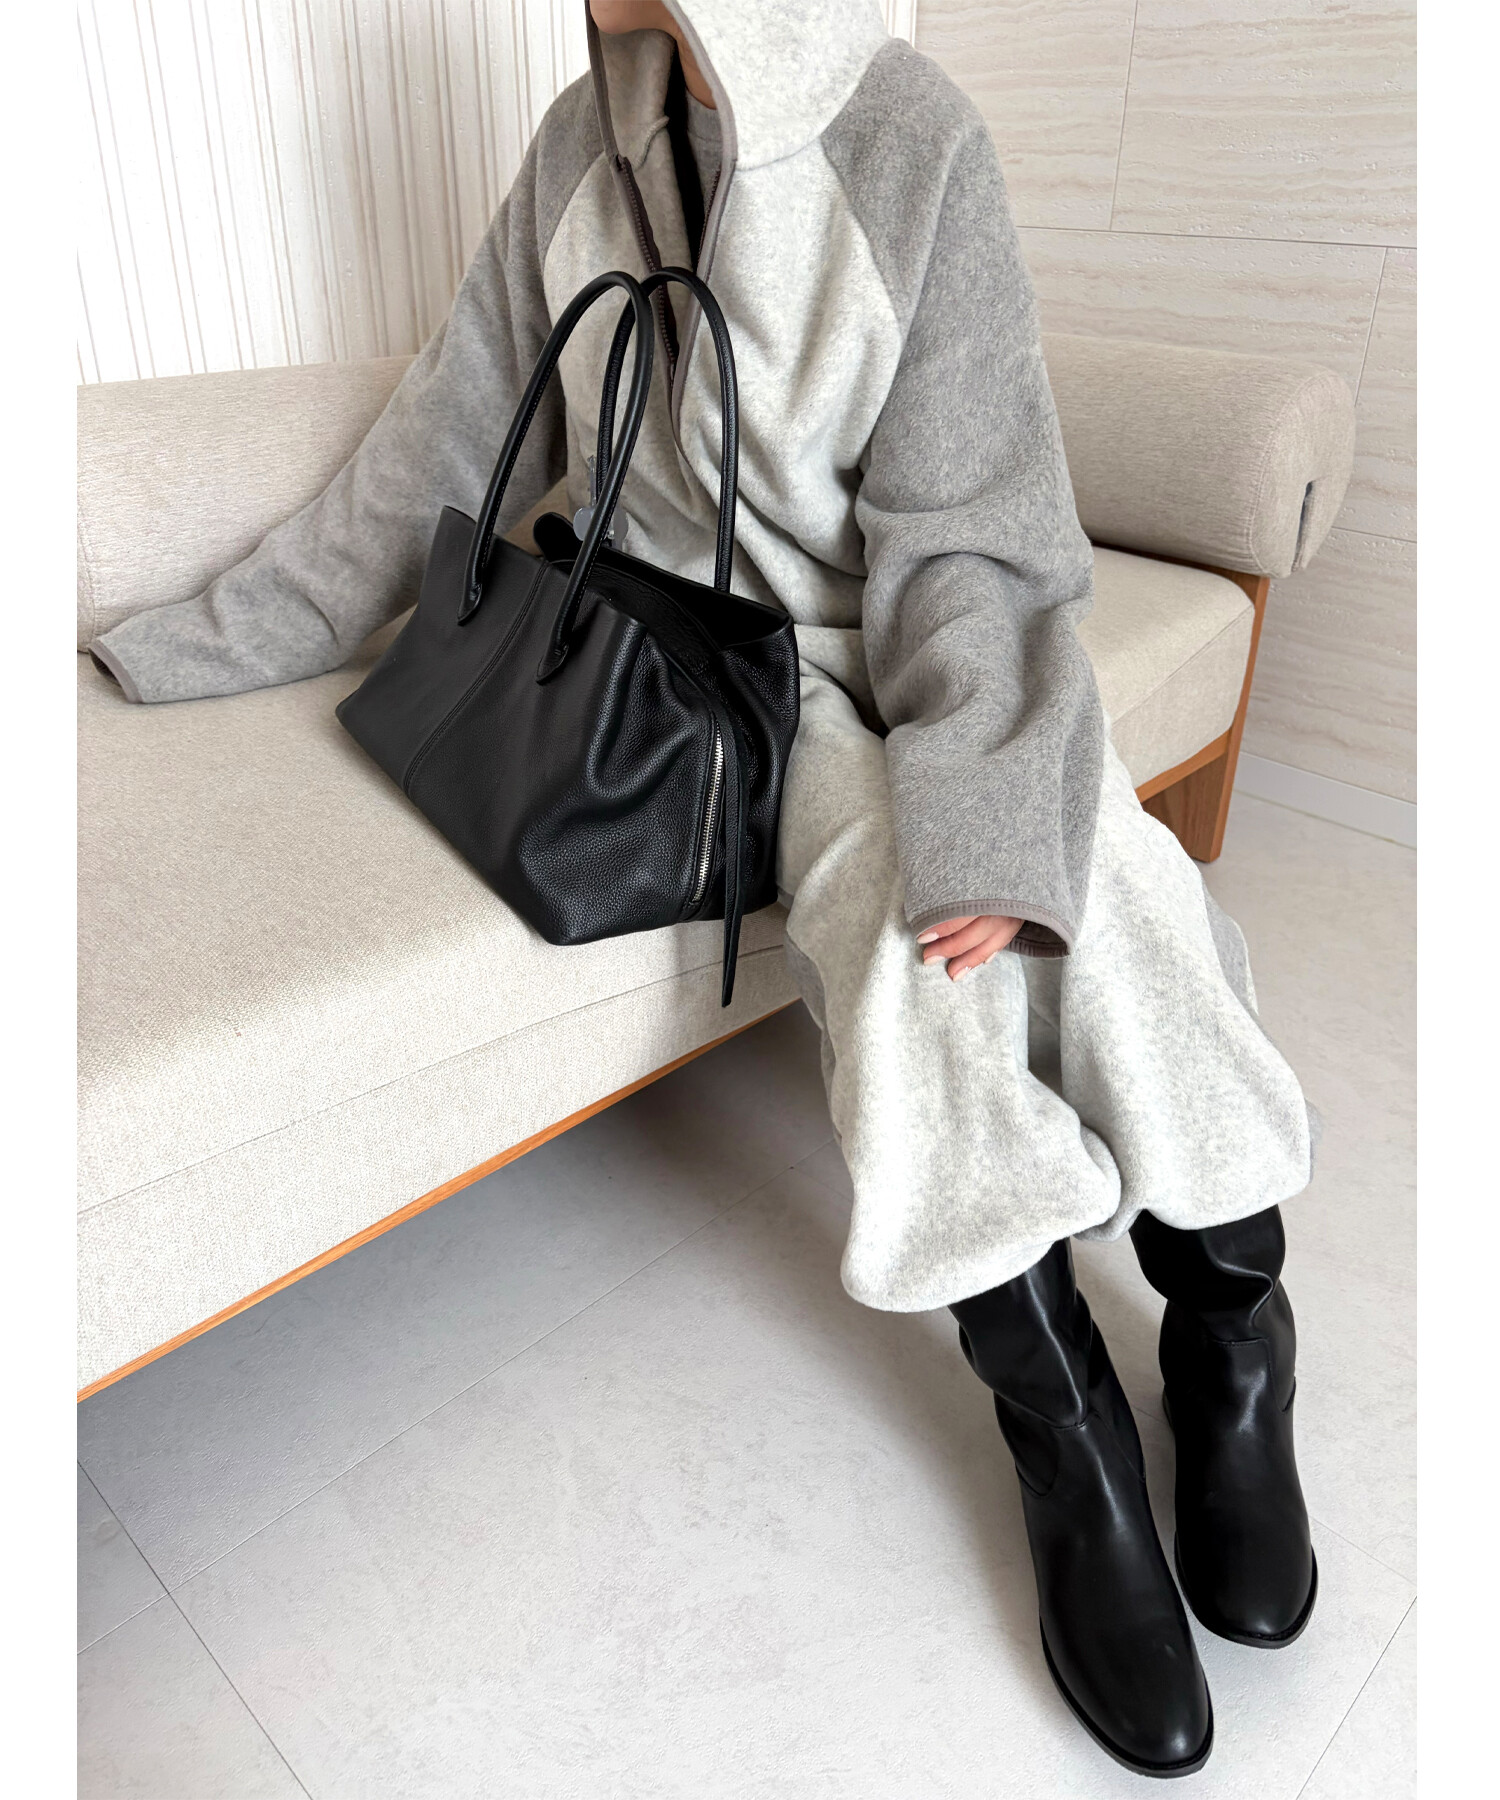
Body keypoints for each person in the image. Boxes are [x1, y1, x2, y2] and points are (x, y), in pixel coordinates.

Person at [88, 1, 1317, 1777]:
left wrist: (986, 798)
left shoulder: (910, 139)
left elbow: (974, 531)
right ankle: (1063, 1423)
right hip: (720, 664)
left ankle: (1232, 1327)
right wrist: (211, 632)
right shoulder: (573, 151)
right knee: (899, 923)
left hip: (914, 624)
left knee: (1105, 866)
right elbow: (443, 440)